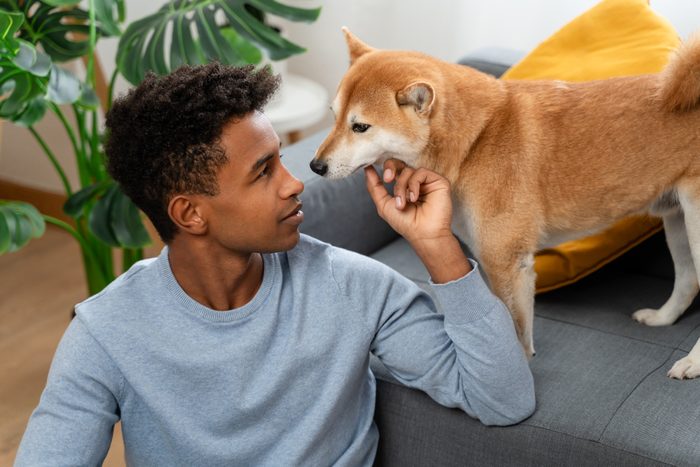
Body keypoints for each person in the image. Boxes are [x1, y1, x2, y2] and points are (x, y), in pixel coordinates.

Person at [15, 63, 535, 466]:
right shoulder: (106, 333)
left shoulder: (355, 288)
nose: (293, 183)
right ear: (190, 213)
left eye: (282, 160)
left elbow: (503, 399)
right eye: (264, 171)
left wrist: (438, 245)